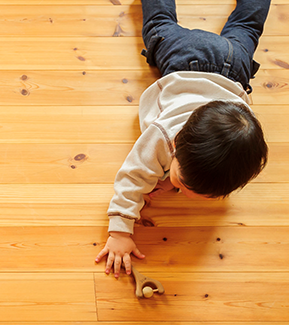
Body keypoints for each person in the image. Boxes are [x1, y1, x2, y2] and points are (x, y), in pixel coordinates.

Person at [95, 0, 271, 277]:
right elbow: (133, 177)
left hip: (234, 64)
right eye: (182, 182)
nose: (185, 193)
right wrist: (119, 230)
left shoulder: (240, 139)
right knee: (159, 26)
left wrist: (172, 181)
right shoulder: (163, 134)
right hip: (186, 55)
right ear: (174, 145)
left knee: (246, 27)